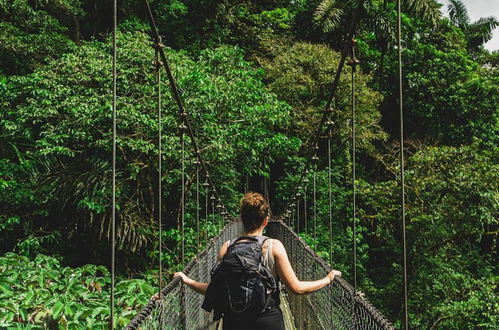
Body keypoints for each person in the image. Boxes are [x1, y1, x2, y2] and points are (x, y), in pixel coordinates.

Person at [172, 192, 341, 330]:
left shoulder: (227, 248)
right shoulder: (274, 246)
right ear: (266, 220)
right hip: (267, 320)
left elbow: (213, 289)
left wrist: (187, 280)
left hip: (234, 322)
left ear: (242, 219)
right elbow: (296, 288)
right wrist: (328, 279)